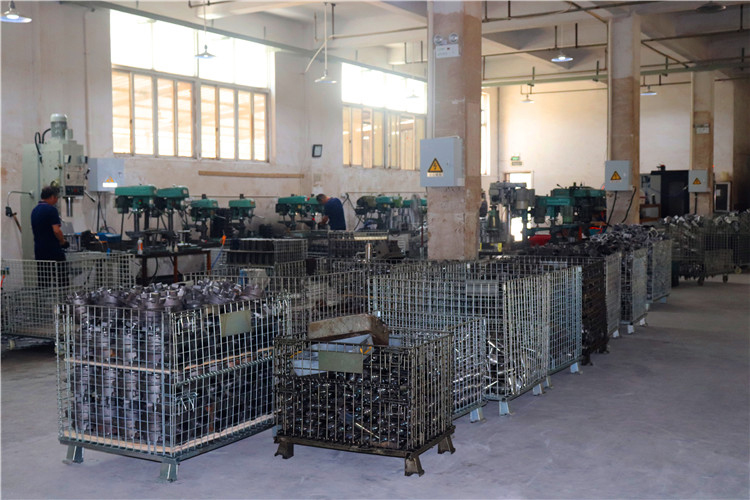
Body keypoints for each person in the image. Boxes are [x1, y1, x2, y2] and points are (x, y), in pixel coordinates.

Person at [31, 186, 69, 285]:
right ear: (52, 197)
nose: (56, 200)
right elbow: (56, 230)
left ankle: (43, 295)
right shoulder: (51, 210)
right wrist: (63, 242)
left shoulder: (34, 210)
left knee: (44, 281)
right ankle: (63, 295)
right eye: (56, 198)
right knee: (62, 280)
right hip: (53, 250)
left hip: (39, 250)